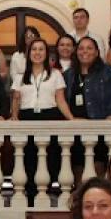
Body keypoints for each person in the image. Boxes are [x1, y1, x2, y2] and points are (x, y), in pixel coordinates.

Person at [12, 37, 72, 200]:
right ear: (28, 53)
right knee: (29, 157)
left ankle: (50, 193)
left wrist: (71, 119)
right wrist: (14, 117)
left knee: (51, 156)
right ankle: (31, 195)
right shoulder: (20, 76)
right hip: (27, 117)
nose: (37, 53)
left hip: (50, 116)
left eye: (41, 49)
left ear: (47, 53)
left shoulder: (55, 74)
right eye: (34, 49)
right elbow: (16, 99)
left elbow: (60, 99)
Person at [64, 35, 111, 121]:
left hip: (100, 124)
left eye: (89, 48)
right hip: (74, 125)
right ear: (76, 52)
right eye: (81, 48)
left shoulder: (108, 72)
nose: (85, 51)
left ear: (96, 53)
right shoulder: (68, 75)